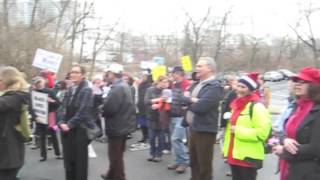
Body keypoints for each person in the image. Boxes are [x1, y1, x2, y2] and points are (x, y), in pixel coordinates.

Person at [272, 67, 320, 180]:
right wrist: (284, 140)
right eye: (296, 81)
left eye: (303, 82)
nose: (297, 85)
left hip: (309, 173)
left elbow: (315, 149)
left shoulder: (317, 112)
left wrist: (283, 151)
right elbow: (282, 132)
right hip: (290, 169)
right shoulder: (297, 107)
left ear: (315, 86)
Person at [223, 73, 272, 180]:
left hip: (247, 159)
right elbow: (229, 131)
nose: (239, 89)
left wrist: (238, 131)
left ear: (251, 90)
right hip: (234, 156)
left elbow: (263, 133)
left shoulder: (257, 107)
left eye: (243, 87)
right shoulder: (236, 105)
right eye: (238, 86)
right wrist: (226, 151)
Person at [181, 57, 223, 180]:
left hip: (205, 131)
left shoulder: (214, 86)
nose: (196, 69)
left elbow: (201, 108)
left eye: (200, 66)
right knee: (193, 163)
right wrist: (191, 100)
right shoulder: (196, 84)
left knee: (204, 165)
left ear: (209, 68)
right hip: (193, 128)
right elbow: (181, 99)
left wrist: (189, 101)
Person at [101, 63, 136, 180]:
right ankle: (111, 174)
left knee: (115, 156)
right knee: (117, 154)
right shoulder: (123, 85)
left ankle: (120, 177)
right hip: (123, 125)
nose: (107, 75)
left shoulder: (118, 88)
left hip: (117, 126)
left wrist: (102, 109)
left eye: (108, 73)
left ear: (112, 74)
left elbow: (110, 109)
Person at [59, 65, 94, 180]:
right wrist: (62, 121)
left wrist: (69, 125)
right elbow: (63, 108)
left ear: (82, 75)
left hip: (79, 131)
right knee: (69, 161)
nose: (73, 74)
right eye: (72, 72)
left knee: (80, 164)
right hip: (67, 131)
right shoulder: (70, 89)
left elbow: (83, 111)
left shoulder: (86, 89)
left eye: (76, 72)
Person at [0, 66, 30, 180]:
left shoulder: (16, 97)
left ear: (8, 80)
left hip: (8, 155)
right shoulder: (12, 96)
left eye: (0, 79)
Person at [31, 77, 61, 161]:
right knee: (42, 136)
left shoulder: (50, 91)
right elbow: (31, 107)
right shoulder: (33, 93)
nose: (38, 84)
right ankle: (43, 156)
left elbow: (58, 104)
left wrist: (51, 101)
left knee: (53, 134)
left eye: (39, 82)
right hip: (40, 116)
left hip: (51, 115)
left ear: (43, 82)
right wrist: (34, 117)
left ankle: (58, 153)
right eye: (36, 83)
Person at [167, 66, 190, 174]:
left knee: (175, 139)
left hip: (181, 116)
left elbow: (187, 100)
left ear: (179, 73)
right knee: (175, 140)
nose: (172, 75)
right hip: (172, 115)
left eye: (173, 73)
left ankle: (184, 161)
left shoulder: (186, 85)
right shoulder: (173, 84)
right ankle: (178, 161)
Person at [144, 75, 170, 162]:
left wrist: (161, 103)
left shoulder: (167, 91)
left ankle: (159, 155)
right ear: (158, 82)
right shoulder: (150, 89)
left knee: (161, 137)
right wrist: (157, 101)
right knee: (151, 137)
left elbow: (169, 103)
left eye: (167, 82)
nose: (166, 84)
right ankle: (152, 153)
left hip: (162, 117)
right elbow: (146, 101)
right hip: (151, 116)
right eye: (164, 82)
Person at [137, 73, 152, 143]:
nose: (143, 78)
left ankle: (148, 137)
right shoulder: (140, 85)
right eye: (142, 76)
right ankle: (144, 136)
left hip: (147, 107)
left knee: (147, 123)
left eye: (144, 76)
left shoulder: (149, 85)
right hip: (141, 106)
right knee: (142, 123)